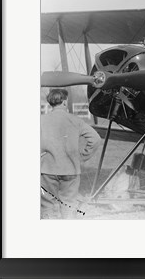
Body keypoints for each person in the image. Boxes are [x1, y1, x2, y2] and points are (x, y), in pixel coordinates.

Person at [40, 89, 101, 219]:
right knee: (68, 205)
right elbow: (95, 139)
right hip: (71, 170)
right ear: (64, 102)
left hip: (47, 169)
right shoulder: (75, 120)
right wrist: (81, 157)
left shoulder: (41, 120)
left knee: (47, 206)